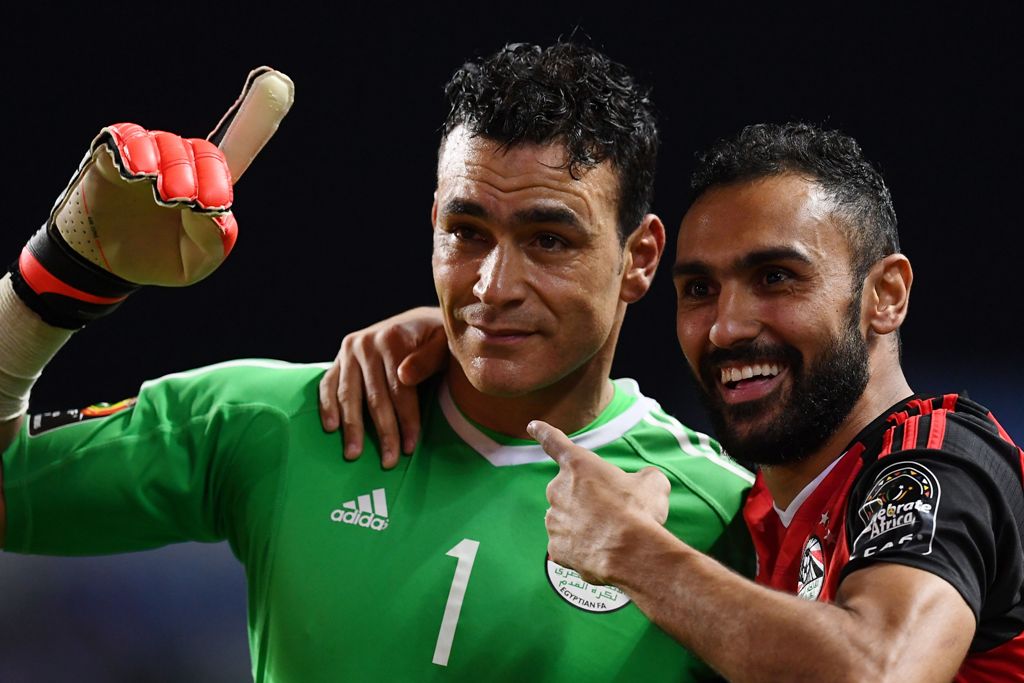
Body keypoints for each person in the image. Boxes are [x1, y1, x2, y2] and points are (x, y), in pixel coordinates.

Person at [0, 45, 754, 681]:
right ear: (433, 223)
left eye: (549, 240)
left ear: (640, 258)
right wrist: (55, 282)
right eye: (467, 231)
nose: (494, 285)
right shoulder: (280, 421)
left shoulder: (723, 515)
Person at [328, 122, 1024, 681]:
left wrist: (632, 551)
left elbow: (882, 669)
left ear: (885, 295)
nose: (726, 326)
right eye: (699, 289)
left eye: (776, 277)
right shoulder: (754, 514)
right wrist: (463, 342)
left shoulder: (936, 456)